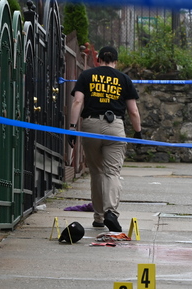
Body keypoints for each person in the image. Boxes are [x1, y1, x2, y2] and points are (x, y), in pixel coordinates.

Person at [69, 46, 142, 232]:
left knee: (96, 171)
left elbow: (78, 102)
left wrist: (71, 128)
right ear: (115, 61)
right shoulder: (124, 79)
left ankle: (99, 217)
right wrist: (138, 132)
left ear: (98, 59)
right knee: (112, 172)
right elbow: (133, 111)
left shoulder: (87, 76)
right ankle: (111, 212)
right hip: (115, 127)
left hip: (91, 126)